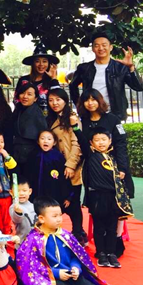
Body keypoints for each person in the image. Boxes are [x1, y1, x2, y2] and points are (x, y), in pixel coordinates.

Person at [17, 197, 129, 285]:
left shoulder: (65, 235)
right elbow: (31, 267)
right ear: (41, 218)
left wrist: (76, 268)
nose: (59, 219)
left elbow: (76, 256)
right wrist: (57, 273)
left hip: (70, 274)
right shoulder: (33, 239)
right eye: (54, 216)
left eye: (60, 215)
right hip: (49, 277)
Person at [72, 125, 134, 268]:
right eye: (97, 140)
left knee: (112, 227)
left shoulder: (113, 157)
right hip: (97, 196)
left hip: (113, 197)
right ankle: (101, 253)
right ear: (91, 143)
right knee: (99, 226)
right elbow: (81, 139)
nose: (101, 142)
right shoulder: (91, 155)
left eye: (104, 139)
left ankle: (111, 253)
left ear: (110, 141)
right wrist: (75, 127)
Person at [69, 32, 143, 121]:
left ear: (110, 47)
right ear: (92, 49)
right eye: (97, 45)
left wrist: (131, 67)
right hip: (90, 114)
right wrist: (79, 105)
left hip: (114, 115)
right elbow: (72, 86)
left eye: (104, 45)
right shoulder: (84, 68)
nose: (101, 48)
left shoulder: (120, 68)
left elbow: (138, 87)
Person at [77, 89, 134, 198]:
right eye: (86, 100)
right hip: (93, 168)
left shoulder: (113, 119)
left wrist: (122, 168)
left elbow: (121, 144)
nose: (90, 103)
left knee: (116, 199)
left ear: (100, 100)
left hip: (112, 165)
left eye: (93, 99)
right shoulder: (82, 121)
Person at [47, 87, 85, 243]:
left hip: (71, 167)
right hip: (57, 167)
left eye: (58, 99)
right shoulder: (51, 119)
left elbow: (77, 143)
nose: (54, 103)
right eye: (51, 100)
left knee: (73, 203)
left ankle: (78, 234)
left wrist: (71, 165)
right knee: (58, 200)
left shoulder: (71, 118)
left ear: (65, 101)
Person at [35, 130, 83, 240]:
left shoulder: (58, 157)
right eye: (42, 138)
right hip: (41, 195)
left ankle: (77, 234)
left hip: (57, 195)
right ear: (38, 141)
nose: (45, 141)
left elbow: (64, 179)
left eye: (49, 139)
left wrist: (68, 196)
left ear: (54, 142)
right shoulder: (35, 156)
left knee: (73, 210)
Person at [11, 82, 47, 181]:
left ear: (35, 98)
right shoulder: (18, 109)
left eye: (29, 94)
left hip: (30, 155)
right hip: (16, 153)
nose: (25, 96)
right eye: (23, 93)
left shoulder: (37, 113)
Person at [16, 47, 60, 116]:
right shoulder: (23, 80)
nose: (41, 64)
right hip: (26, 118)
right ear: (33, 63)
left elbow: (58, 99)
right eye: (37, 61)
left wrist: (54, 78)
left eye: (44, 61)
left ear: (49, 64)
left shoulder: (51, 81)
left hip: (46, 119)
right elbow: (16, 100)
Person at [9, 176, 36, 248]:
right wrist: (18, 213)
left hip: (35, 243)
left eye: (24, 190)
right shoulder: (14, 207)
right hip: (22, 244)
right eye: (17, 191)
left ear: (30, 191)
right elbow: (16, 219)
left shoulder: (34, 206)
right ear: (11, 192)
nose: (21, 193)